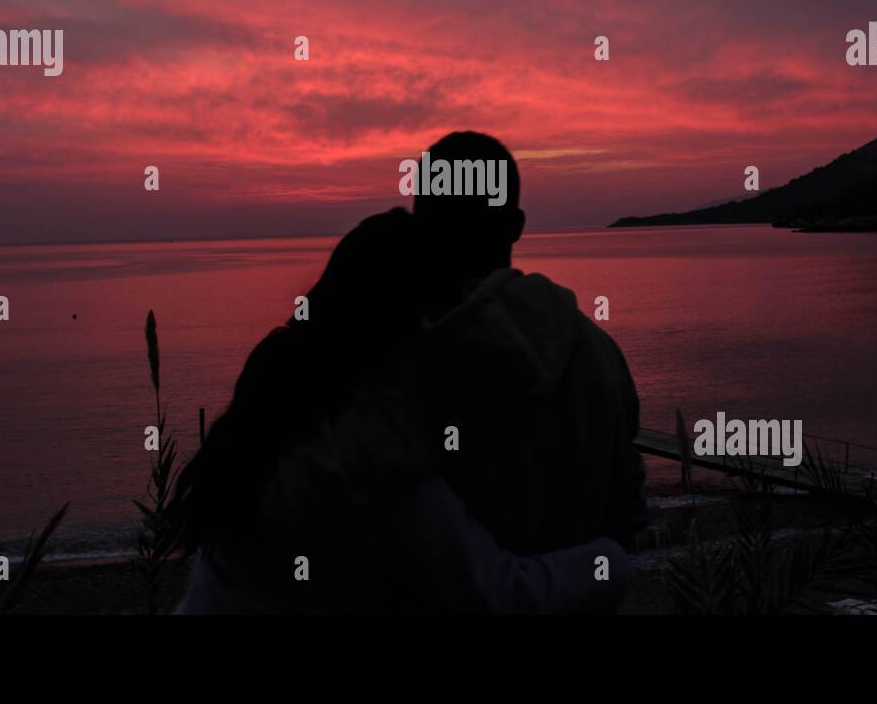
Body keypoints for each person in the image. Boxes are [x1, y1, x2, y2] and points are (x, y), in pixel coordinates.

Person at [172, 207, 630, 613]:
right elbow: (499, 593)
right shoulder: (365, 461)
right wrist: (610, 560)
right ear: (413, 323)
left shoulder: (279, 399)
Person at [259, 132, 647, 561]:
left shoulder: (388, 359)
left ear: (420, 226)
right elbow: (624, 521)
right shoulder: (602, 355)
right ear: (515, 226)